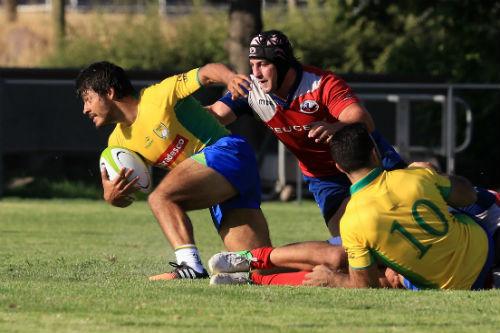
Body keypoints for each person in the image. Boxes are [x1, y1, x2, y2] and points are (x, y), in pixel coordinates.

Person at [208, 29, 499, 240]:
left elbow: (363, 120)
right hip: (323, 176)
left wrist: (335, 127)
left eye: (264, 64)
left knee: (419, 199)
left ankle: (486, 202)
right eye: (253, 65)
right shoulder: (252, 91)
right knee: (347, 240)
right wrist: (175, 106)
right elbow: (215, 115)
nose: (256, 73)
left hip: (368, 159)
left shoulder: (321, 84)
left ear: (282, 63)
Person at [208, 124, 497, 290]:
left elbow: (363, 285)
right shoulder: (415, 177)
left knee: (342, 257)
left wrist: (336, 278)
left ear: (339, 167)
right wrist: (435, 175)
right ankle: (252, 277)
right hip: (480, 250)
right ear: (375, 153)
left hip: (450, 270)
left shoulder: (353, 219)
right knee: (378, 277)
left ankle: (251, 260)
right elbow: (467, 195)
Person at [75, 61, 272, 280]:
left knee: (161, 198)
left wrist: (230, 78)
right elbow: (128, 195)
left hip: (228, 153)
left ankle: (190, 266)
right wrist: (113, 197)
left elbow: (206, 73)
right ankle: (314, 267)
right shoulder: (119, 143)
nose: (85, 109)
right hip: (221, 182)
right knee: (259, 266)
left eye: (88, 99)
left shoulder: (159, 95)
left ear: (109, 92)